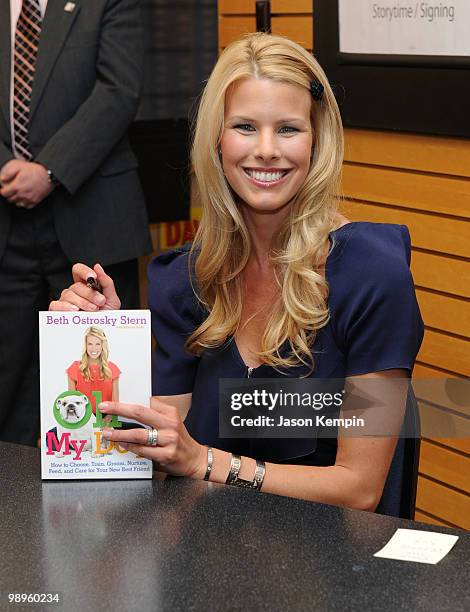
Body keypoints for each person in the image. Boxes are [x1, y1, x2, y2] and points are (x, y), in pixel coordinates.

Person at [50, 33, 424, 511]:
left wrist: (206, 462)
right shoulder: (186, 280)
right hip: (211, 552)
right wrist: (104, 333)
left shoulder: (372, 277)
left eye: (288, 128)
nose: (266, 150)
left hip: (331, 567)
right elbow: (167, 445)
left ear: (317, 139)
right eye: (245, 126)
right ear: (217, 139)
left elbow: (359, 488)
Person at [0, 0, 152, 446]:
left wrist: (49, 170)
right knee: (9, 384)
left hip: (92, 213)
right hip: (6, 221)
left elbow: (118, 89)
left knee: (104, 391)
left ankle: (108, 512)